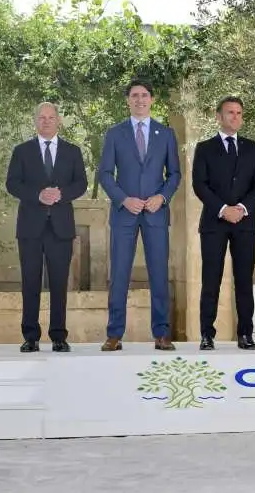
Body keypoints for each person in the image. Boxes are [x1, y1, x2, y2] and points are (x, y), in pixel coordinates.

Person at [98, 79, 181, 351]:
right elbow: (106, 174)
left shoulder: (165, 134)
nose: (140, 100)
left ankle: (161, 333)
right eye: (134, 96)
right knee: (119, 273)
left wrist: (162, 197)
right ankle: (114, 334)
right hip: (125, 214)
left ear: (152, 100)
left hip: (156, 213)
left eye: (145, 95)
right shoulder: (114, 133)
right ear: (127, 100)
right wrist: (123, 199)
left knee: (159, 273)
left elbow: (175, 174)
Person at [6, 102, 87, 353]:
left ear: (58, 120)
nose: (46, 121)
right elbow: (12, 183)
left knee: (60, 283)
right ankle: (30, 337)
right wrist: (37, 194)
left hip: (61, 228)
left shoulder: (72, 151)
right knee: (30, 282)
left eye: (51, 117)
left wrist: (61, 193)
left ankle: (59, 336)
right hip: (30, 228)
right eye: (41, 117)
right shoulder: (22, 151)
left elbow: (81, 183)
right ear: (35, 121)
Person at [193, 96, 255, 351]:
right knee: (211, 279)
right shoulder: (204, 148)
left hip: (245, 223)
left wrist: (242, 209)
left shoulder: (253, 148)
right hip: (214, 222)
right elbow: (199, 185)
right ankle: (207, 334)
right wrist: (224, 209)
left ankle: (245, 333)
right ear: (219, 116)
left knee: (244, 279)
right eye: (229, 112)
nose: (235, 117)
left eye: (238, 113)